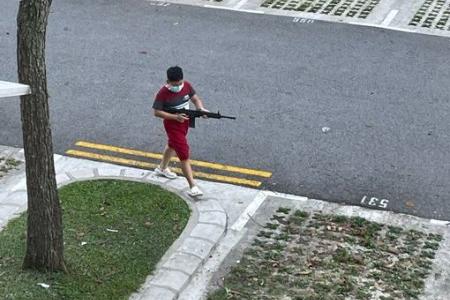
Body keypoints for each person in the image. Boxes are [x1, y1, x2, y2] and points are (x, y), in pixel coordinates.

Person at [152, 66, 207, 197]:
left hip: (185, 122)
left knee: (172, 145)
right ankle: (193, 186)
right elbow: (156, 112)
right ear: (168, 81)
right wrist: (175, 117)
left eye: (180, 83)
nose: (178, 86)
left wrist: (200, 109)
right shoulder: (162, 93)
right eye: (175, 84)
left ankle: (162, 168)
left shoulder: (187, 85)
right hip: (172, 125)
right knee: (183, 154)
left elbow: (195, 98)